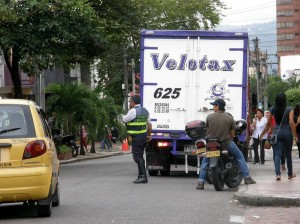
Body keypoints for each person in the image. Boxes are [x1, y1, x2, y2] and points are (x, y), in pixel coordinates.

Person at [196, 99, 256, 190]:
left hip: (211, 143)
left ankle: (200, 182)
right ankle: (247, 178)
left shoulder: (209, 117)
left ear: (218, 106)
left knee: (205, 161)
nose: (213, 107)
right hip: (225, 143)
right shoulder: (229, 118)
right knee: (239, 156)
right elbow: (232, 135)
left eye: (214, 105)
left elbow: (207, 130)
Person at [260, 93, 298, 181]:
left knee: (277, 154)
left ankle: (278, 174)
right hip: (287, 133)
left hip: (276, 133)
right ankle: (290, 174)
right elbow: (292, 123)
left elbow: (268, 123)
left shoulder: (272, 109)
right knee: (288, 155)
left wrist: (262, 134)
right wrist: (295, 136)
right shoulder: (289, 109)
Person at [122, 95, 152, 184]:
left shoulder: (132, 111)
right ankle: (141, 176)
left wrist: (128, 110)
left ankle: (143, 176)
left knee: (137, 157)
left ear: (133, 102)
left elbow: (124, 119)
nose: (130, 103)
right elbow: (149, 125)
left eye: (130, 101)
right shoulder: (145, 111)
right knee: (140, 155)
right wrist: (149, 135)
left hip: (137, 138)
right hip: (143, 137)